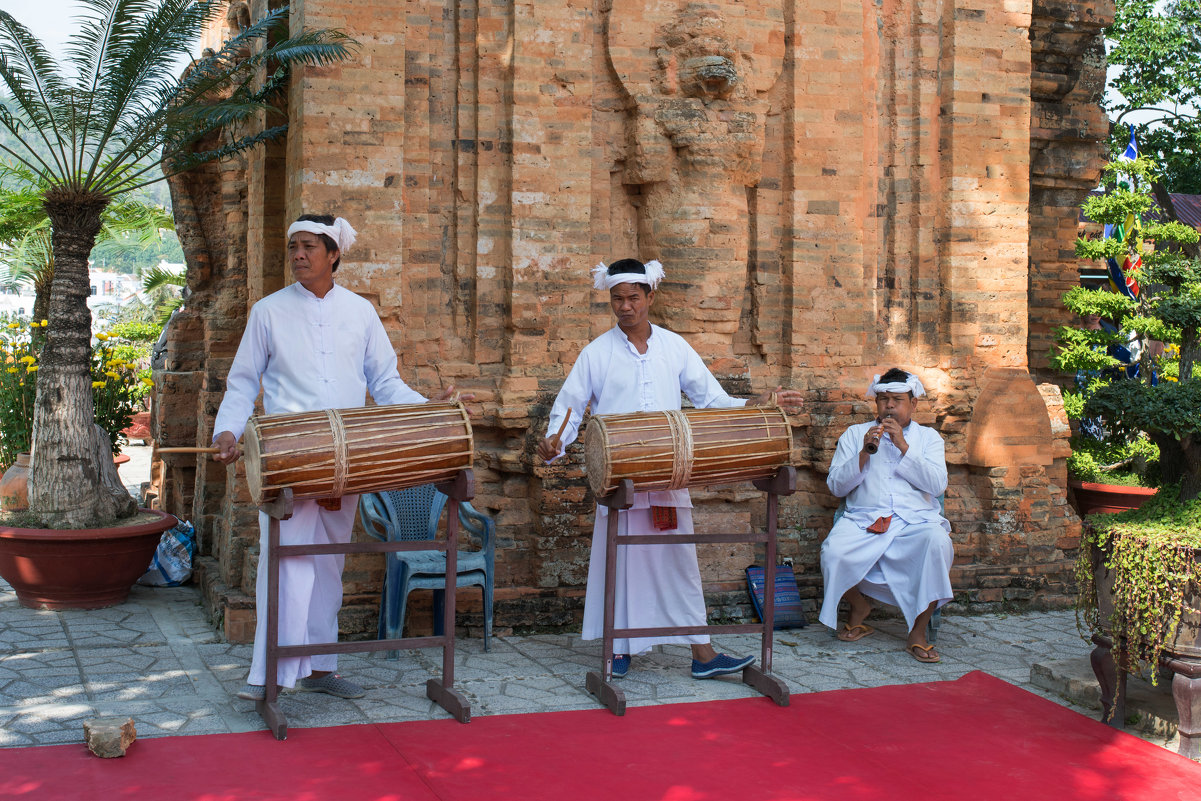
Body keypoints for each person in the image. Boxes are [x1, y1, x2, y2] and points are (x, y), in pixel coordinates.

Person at [213, 214, 464, 702]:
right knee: (284, 562)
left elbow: (386, 382)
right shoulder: (268, 311)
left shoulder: (360, 312)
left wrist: (428, 410)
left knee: (328, 564)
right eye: (293, 247)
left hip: (346, 456)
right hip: (288, 456)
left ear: (333, 254)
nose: (298, 255)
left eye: (308, 246)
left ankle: (320, 668)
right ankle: (270, 675)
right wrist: (227, 428)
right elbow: (243, 381)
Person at [536, 257, 804, 679]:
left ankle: (703, 654)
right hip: (619, 479)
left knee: (678, 563)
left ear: (650, 297)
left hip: (667, 477)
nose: (625, 307)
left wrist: (759, 404)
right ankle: (618, 648)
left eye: (633, 298)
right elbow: (568, 409)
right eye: (617, 299)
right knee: (620, 564)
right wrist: (555, 443)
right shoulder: (596, 353)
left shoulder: (674, 346)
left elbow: (711, 399)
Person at [818, 367, 953, 663]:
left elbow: (937, 484)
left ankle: (917, 632)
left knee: (938, 544)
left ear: (913, 404)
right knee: (832, 552)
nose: (889, 406)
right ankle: (859, 607)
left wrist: (904, 446)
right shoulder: (855, 434)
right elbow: (836, 487)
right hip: (865, 520)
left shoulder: (929, 439)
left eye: (897, 400)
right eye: (883, 399)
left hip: (914, 523)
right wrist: (864, 453)